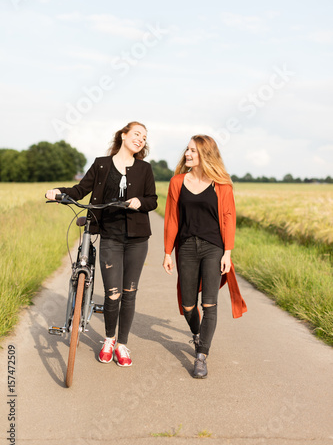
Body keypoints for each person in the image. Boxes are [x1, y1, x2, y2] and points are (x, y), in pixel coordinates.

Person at [46, 122, 157, 367]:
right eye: (136, 134)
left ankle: (122, 345)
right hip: (110, 236)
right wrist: (57, 192)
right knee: (112, 293)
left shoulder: (144, 169)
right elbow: (80, 189)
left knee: (129, 293)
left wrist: (140, 201)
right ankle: (109, 339)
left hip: (137, 239)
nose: (140, 139)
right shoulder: (101, 164)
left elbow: (153, 200)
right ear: (124, 135)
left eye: (144, 137)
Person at [163, 135, 247, 379]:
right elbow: (171, 219)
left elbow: (229, 218)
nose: (187, 154)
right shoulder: (177, 182)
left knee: (209, 304)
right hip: (187, 248)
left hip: (214, 249)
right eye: (187, 150)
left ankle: (201, 357)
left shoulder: (222, 185)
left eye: (192, 151)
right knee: (188, 305)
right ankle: (198, 334)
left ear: (205, 155)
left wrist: (227, 253)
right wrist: (167, 251)